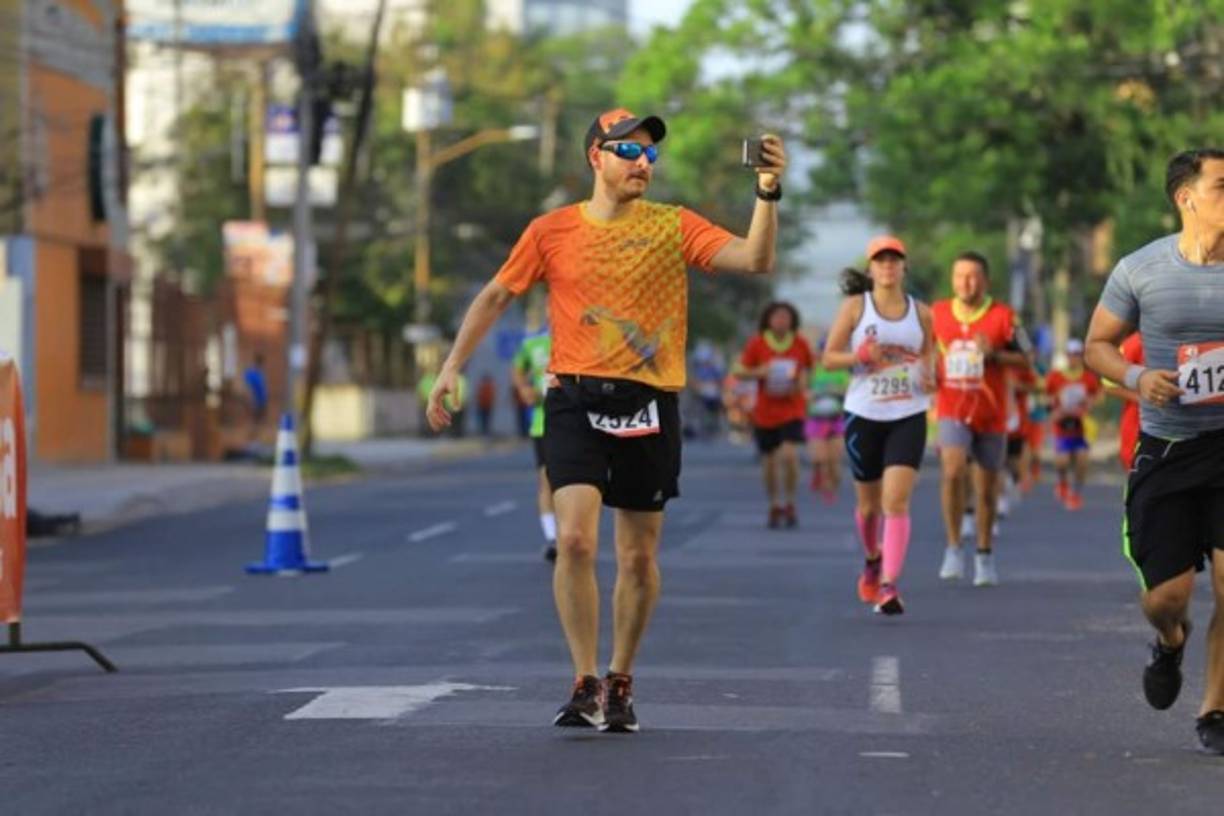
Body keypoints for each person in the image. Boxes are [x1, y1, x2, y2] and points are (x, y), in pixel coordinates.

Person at [426, 108, 786, 732]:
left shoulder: (675, 226)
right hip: (573, 399)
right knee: (574, 540)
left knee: (639, 558)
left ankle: (620, 676)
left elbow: (754, 258)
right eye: (629, 151)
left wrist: (768, 190)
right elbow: (495, 295)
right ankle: (584, 679)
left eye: (650, 155)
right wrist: (451, 366)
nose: (643, 163)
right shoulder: (551, 230)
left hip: (649, 400)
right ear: (597, 157)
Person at [1083, 147, 1224, 754]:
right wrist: (1139, 377)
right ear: (1185, 196)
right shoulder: (1141, 268)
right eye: (1222, 185)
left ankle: (1215, 708)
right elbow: (1097, 345)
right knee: (1165, 598)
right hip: (1167, 446)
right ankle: (1170, 642)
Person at [823, 239, 935, 615]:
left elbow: (929, 358)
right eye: (881, 261)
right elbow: (828, 358)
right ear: (871, 269)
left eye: (895, 260)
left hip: (908, 414)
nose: (888, 266)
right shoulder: (856, 308)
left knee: (896, 502)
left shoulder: (922, 313)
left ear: (904, 267)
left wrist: (930, 377)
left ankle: (889, 584)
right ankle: (873, 558)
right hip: (863, 414)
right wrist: (859, 356)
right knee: (869, 508)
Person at [931, 251, 1028, 586]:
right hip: (952, 409)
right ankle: (954, 547)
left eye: (972, 276)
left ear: (985, 280)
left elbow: (1028, 357)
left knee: (986, 489)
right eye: (959, 276)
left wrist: (995, 355)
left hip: (991, 413)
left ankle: (984, 554)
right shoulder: (938, 313)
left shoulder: (1005, 317)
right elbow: (925, 353)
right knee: (953, 469)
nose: (965, 283)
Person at [736, 302, 814, 528]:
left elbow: (808, 370)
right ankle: (774, 503)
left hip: (792, 408)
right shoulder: (757, 343)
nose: (781, 321)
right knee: (769, 462)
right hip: (765, 412)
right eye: (777, 317)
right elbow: (739, 371)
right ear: (768, 320)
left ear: (792, 320)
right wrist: (758, 372)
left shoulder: (800, 344)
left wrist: (801, 383)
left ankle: (790, 501)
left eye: (785, 317)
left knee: (789, 455)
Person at [512, 328, 556, 561]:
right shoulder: (534, 343)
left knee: (580, 484)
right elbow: (518, 368)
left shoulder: (584, 333)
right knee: (547, 480)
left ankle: (574, 535)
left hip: (581, 423)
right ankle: (553, 538)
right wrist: (524, 388)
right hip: (543, 423)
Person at [1045, 339, 1102, 510]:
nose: (1074, 358)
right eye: (1071, 354)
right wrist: (1054, 409)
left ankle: (1075, 493)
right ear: (1066, 356)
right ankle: (1062, 482)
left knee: (1082, 460)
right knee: (1062, 462)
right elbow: (1047, 398)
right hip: (1062, 425)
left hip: (1081, 425)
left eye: (1077, 354)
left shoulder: (1088, 377)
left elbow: (1099, 394)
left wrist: (1090, 402)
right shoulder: (1055, 376)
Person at [806, 345, 850, 504]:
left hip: (836, 419)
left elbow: (848, 393)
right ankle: (824, 483)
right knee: (821, 458)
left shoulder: (843, 372)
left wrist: (838, 392)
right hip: (816, 419)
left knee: (834, 460)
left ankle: (832, 484)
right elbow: (804, 390)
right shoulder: (814, 370)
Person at [1102, 332, 1144, 471]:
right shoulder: (1134, 343)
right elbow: (1108, 385)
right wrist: (1141, 399)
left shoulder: (1184, 340)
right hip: (1137, 425)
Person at [243, 353, 268, 441]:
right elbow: (248, 387)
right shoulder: (251, 373)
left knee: (259, 421)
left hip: (262, 401)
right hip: (254, 401)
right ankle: (249, 438)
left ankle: (256, 438)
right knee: (252, 420)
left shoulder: (260, 373)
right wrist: (251, 400)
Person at [475, 373, 497, 437]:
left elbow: (491, 396)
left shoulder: (485, 386)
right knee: (484, 419)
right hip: (484, 405)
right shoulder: (487, 386)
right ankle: (484, 431)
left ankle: (485, 431)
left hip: (486, 405)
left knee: (485, 419)